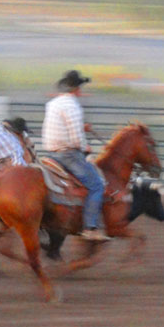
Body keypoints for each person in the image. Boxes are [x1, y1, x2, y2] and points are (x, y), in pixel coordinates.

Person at [42, 70, 108, 241]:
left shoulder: (53, 103)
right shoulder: (73, 106)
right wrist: (85, 147)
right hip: (68, 154)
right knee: (97, 185)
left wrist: (80, 127)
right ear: (77, 89)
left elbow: (63, 126)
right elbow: (75, 138)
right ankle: (90, 227)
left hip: (51, 153)